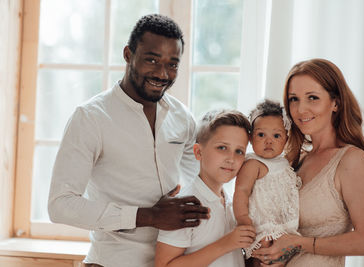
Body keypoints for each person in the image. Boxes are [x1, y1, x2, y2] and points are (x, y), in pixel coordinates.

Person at [47, 14, 209, 267]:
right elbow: (60, 205)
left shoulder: (183, 117)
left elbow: (198, 183)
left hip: (173, 261)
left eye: (173, 64)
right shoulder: (90, 118)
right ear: (128, 54)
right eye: (152, 60)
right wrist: (148, 216)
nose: (162, 73)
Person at [252, 58, 364, 266]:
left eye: (312, 98)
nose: (301, 110)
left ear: (335, 103)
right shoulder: (292, 160)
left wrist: (298, 243)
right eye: (294, 99)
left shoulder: (350, 159)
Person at [155, 110, 256, 267]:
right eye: (222, 148)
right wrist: (226, 244)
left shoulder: (233, 204)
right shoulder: (185, 205)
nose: (231, 158)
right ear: (198, 152)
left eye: (239, 151)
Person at [233, 99, 302, 262]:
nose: (268, 141)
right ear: (250, 138)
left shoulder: (284, 163)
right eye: (261, 134)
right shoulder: (253, 164)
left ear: (286, 138)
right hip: (262, 226)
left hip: (283, 226)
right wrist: (243, 219)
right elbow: (241, 191)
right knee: (264, 257)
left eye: (276, 135)